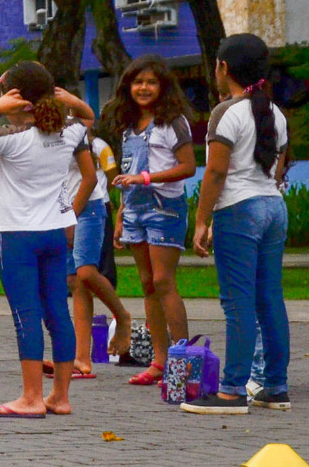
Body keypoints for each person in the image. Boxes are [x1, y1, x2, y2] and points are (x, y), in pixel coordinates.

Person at [0, 62, 98, 417]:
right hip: (54, 234)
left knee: (26, 314)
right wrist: (71, 100)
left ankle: (31, 397)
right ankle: (59, 396)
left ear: (15, 100)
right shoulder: (69, 132)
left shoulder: (8, 138)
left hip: (18, 236)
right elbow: (90, 119)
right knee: (57, 313)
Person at [182, 33, 291, 413]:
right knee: (269, 299)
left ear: (223, 68)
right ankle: (276, 387)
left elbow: (215, 172)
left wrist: (201, 221)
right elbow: (278, 166)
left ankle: (231, 391)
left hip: (239, 210)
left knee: (238, 303)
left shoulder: (226, 112)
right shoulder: (274, 113)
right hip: (274, 208)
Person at [105, 56, 196, 387]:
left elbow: (188, 166)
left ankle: (183, 363)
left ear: (164, 87)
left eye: (151, 82)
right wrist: (120, 215)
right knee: (146, 283)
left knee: (163, 282)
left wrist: (146, 178)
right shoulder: (129, 127)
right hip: (134, 210)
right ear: (128, 87)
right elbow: (126, 175)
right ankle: (159, 361)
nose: (143, 88)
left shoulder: (173, 123)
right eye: (137, 82)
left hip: (164, 208)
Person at [60, 129, 132, 378]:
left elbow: (100, 178)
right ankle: (82, 358)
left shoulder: (94, 143)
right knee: (74, 281)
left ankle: (122, 316)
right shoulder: (44, 137)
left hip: (91, 205)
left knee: (87, 272)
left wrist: (118, 208)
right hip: (63, 207)